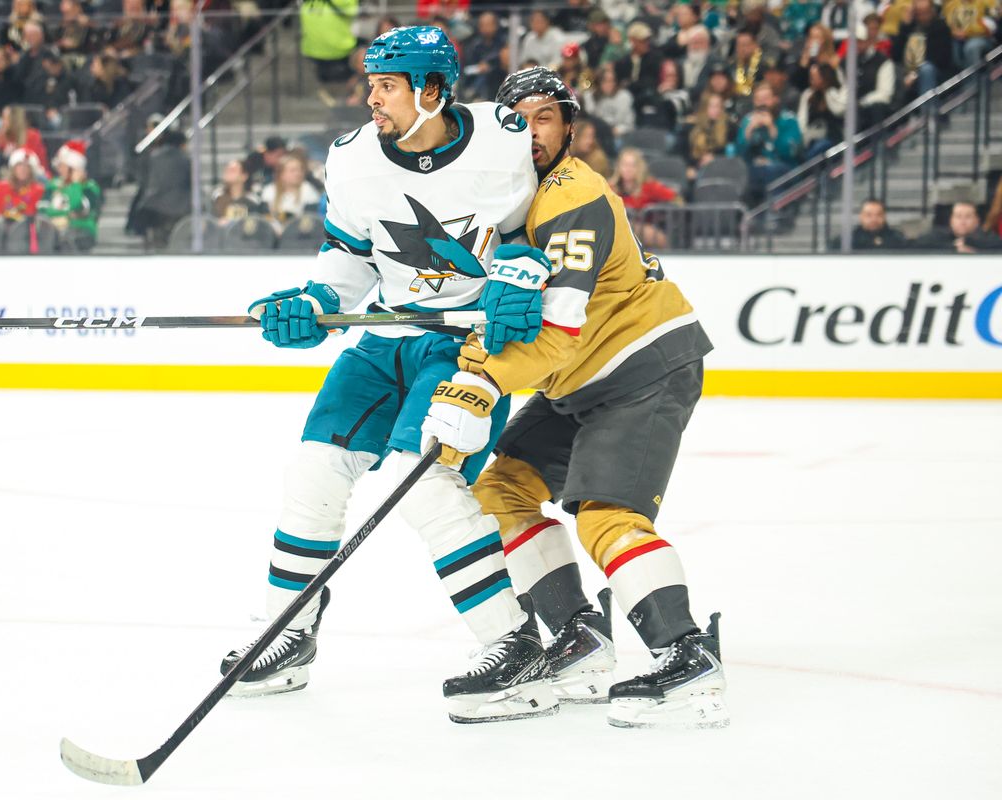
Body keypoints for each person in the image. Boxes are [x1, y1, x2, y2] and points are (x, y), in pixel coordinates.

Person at [220, 26, 554, 724]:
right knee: (313, 469)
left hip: (465, 345)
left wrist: (530, 268)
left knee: (420, 481)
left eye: (386, 86)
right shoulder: (351, 159)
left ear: (433, 90)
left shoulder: (507, 137)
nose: (370, 99)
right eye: (370, 83)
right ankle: (289, 628)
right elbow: (348, 257)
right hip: (384, 335)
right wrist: (314, 301)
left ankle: (515, 645)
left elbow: (554, 225)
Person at [422, 66, 727, 730]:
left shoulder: (572, 196)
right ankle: (580, 637)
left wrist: (478, 383)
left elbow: (553, 334)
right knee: (499, 491)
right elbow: (496, 316)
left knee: (605, 519)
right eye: (517, 120)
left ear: (568, 127)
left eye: (545, 118)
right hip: (580, 382)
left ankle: (687, 655)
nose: (531, 132)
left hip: (639, 367)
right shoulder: (503, 198)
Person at [736, 82, 802, 197]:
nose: (762, 103)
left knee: (771, 171)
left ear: (775, 99)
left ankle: (775, 212)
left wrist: (772, 129)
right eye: (758, 100)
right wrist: (748, 132)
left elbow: (792, 153)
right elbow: (739, 155)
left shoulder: (788, 120)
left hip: (785, 169)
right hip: (756, 170)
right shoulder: (748, 121)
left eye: (766, 99)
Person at [38, 140, 101, 251]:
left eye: (63, 166)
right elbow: (42, 208)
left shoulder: (89, 188)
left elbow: (77, 208)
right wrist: (63, 215)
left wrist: (75, 184)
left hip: (80, 230)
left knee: (67, 238)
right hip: (53, 229)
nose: (59, 169)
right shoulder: (53, 184)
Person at [913, 201, 1002, 253]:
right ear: (951, 220)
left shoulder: (986, 237)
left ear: (977, 220)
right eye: (958, 216)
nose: (962, 222)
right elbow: (920, 243)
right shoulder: (939, 236)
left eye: (968, 217)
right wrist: (953, 247)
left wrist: (972, 247)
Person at [828, 198, 908, 251]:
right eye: (869, 215)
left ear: (884, 216)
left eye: (878, 215)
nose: (874, 219)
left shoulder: (896, 239)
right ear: (861, 216)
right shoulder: (848, 240)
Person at [0, 147, 44, 220]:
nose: (23, 169)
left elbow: (31, 215)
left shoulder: (37, 190)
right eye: (19, 165)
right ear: (13, 168)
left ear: (31, 171)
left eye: (27, 166)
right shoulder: (1, 187)